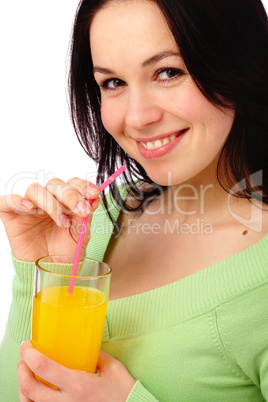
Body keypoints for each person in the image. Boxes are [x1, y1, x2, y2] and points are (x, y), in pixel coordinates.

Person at [0, 0, 268, 400]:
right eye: (113, 83)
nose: (137, 117)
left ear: (236, 61)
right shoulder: (99, 218)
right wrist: (39, 275)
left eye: (168, 72)